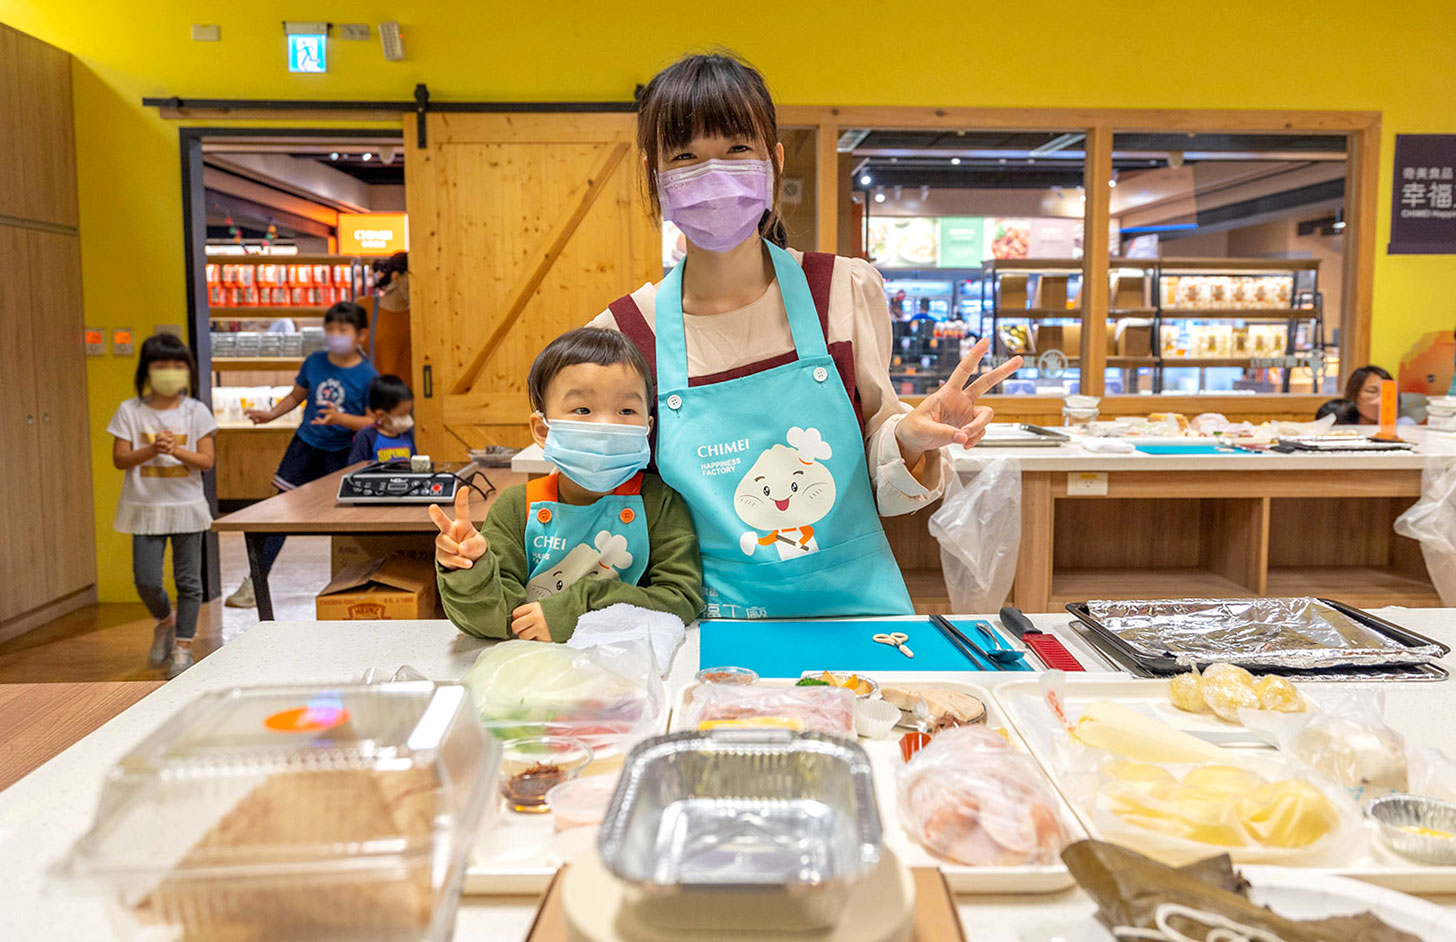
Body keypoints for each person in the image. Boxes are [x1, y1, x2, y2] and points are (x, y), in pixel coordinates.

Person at [590, 51, 1021, 619]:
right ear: (656, 177)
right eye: (686, 156)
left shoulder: (842, 289)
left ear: (775, 160)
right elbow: (614, 506)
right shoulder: (624, 333)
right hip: (704, 623)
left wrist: (911, 437)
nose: (714, 174)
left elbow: (882, 476)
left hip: (855, 617)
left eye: (737, 149)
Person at [430, 327, 703, 641]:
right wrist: (470, 568)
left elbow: (681, 600)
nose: (606, 425)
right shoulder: (518, 509)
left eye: (627, 410)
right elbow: (494, 619)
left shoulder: (659, 503)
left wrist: (577, 610)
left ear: (648, 426)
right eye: (583, 410)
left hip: (630, 670)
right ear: (543, 430)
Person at [225, 301, 378, 608]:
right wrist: (270, 415)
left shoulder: (368, 375)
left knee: (349, 520)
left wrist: (341, 420)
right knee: (281, 513)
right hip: (306, 446)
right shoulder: (315, 362)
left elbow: (374, 421)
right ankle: (255, 583)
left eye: (343, 330)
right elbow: (297, 395)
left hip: (343, 453)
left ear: (360, 335)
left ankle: (360, 583)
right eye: (330, 329)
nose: (335, 335)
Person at [106, 333, 216, 678]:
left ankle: (183, 647)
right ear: (147, 371)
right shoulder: (130, 411)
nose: (170, 371)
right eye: (161, 365)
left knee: (189, 581)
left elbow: (206, 461)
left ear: (187, 370)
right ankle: (164, 620)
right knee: (147, 579)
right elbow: (120, 460)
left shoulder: (196, 411)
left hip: (186, 505)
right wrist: (153, 449)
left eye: (177, 365)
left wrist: (176, 450)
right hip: (145, 507)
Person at [362, 251, 411, 381]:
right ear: (396, 277)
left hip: (412, 397)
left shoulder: (419, 316)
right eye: (411, 277)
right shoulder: (364, 308)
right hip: (375, 395)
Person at [348, 374, 417, 464]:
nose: (407, 418)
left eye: (409, 413)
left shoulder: (407, 434)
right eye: (402, 415)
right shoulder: (366, 437)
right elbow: (354, 469)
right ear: (381, 415)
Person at [1344, 365, 1415, 426]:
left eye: (1388, 393)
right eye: (1372, 391)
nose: (1381, 400)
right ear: (1354, 394)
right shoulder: (1342, 428)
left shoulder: (1404, 425)